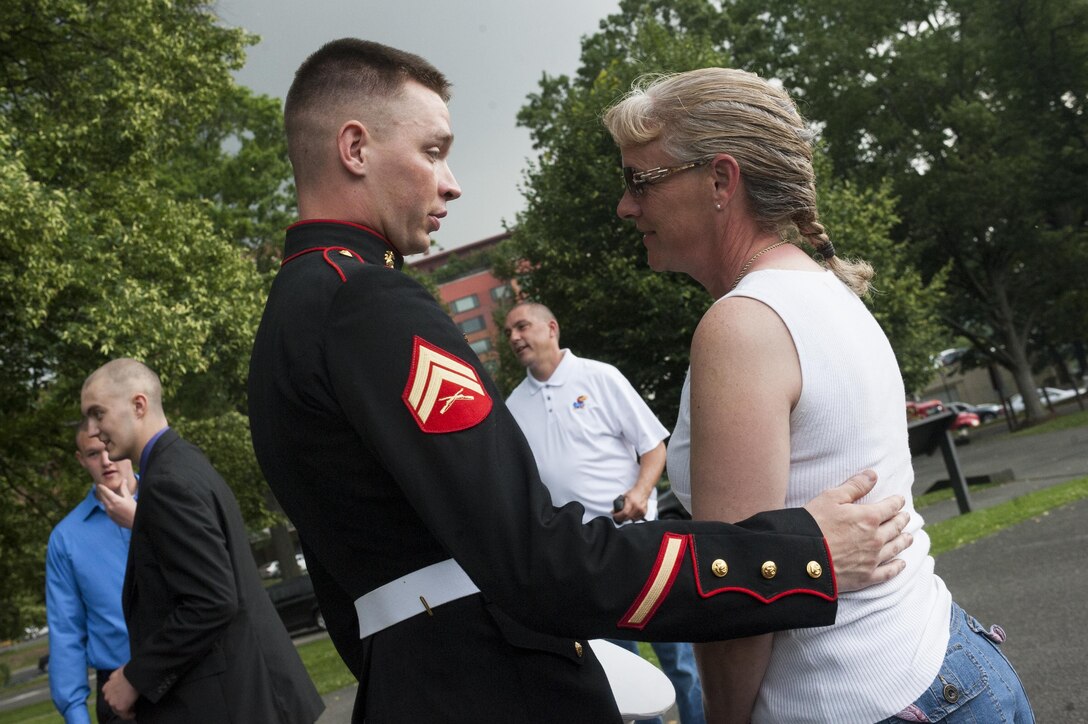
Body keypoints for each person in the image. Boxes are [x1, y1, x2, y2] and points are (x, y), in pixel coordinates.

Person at [247, 38, 912, 723]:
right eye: (433, 150)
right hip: (499, 687)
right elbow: (537, 561)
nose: (452, 183)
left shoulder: (289, 319)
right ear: (354, 149)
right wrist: (799, 555)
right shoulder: (372, 302)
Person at [604, 67, 1035, 723]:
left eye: (641, 180)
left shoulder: (741, 326)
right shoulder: (822, 291)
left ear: (721, 180)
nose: (625, 206)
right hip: (946, 665)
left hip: (866, 700)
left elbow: (738, 592)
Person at [79, 358, 324, 723]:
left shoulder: (166, 483)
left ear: (138, 405)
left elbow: (211, 601)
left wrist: (135, 677)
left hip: (233, 704)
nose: (94, 429)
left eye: (98, 413)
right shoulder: (182, 463)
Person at [504, 301, 705, 724]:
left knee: (681, 665)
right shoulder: (512, 407)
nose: (515, 338)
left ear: (551, 327)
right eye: (508, 333)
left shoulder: (599, 377)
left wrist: (639, 491)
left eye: (522, 326)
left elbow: (653, 447)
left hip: (637, 542)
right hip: (581, 557)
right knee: (620, 681)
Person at [46, 422, 139, 724]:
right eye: (93, 453)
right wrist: (76, 715)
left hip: (190, 677)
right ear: (81, 459)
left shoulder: (169, 501)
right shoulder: (66, 538)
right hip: (118, 697)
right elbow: (66, 631)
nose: (106, 461)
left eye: (108, 447)